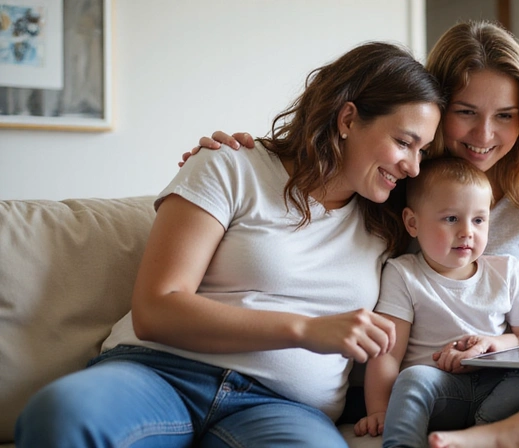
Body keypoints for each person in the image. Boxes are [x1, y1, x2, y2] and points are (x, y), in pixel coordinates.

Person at [187, 19, 519, 448]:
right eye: (466, 112)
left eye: (506, 116)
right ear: (432, 108)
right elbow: (306, 187)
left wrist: (509, 342)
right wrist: (246, 153)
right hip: (413, 386)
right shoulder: (388, 186)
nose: (484, 135)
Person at [13, 41, 443, 448]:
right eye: (404, 142)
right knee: (61, 414)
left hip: (283, 407)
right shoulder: (230, 166)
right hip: (161, 373)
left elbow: (476, 209)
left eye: (422, 150)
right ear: (347, 119)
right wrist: (308, 330)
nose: (412, 165)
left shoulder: (394, 223)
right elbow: (156, 308)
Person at [353, 156, 519, 447]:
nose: (467, 231)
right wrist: (379, 410)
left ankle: (480, 431)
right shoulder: (404, 274)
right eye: (451, 219)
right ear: (412, 222)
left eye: (479, 220)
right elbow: (388, 353)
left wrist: (496, 345)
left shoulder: (506, 272)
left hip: (496, 386)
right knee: (413, 378)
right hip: (438, 390)